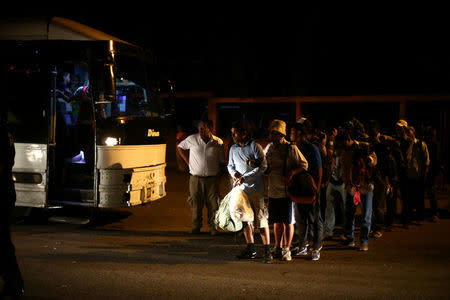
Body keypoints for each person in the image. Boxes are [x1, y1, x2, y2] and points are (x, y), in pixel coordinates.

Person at [227, 121, 272, 263]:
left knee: (261, 221)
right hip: (241, 191)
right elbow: (230, 165)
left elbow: (263, 166)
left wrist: (244, 177)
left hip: (256, 191)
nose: (233, 135)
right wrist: (234, 174)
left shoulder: (254, 146)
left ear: (244, 133)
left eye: (236, 132)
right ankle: (251, 249)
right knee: (245, 220)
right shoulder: (233, 148)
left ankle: (267, 251)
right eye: (232, 132)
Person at [264, 120, 308, 261]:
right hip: (273, 190)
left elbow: (304, 164)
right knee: (276, 221)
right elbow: (264, 164)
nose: (271, 135)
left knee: (288, 221)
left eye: (273, 132)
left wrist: (292, 173)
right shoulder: (269, 148)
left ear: (280, 134)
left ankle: (286, 249)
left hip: (287, 191)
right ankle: (277, 247)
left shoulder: (290, 148)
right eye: (271, 132)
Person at [177, 119, 226, 235]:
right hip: (196, 178)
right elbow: (180, 147)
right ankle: (196, 227)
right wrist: (188, 162)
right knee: (195, 204)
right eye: (199, 127)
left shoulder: (218, 143)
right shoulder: (192, 139)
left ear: (211, 129)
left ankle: (213, 227)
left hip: (212, 179)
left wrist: (220, 176)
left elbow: (222, 161)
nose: (200, 130)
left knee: (213, 205)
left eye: (203, 128)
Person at [336, 131, 377, 251]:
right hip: (352, 187)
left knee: (366, 215)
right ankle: (350, 239)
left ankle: (364, 241)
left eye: (343, 143)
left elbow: (374, 160)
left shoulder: (364, 146)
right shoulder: (344, 153)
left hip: (366, 186)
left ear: (348, 139)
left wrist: (368, 159)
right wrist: (348, 185)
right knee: (349, 214)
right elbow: (344, 171)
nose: (341, 145)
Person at [290, 121, 323, 261]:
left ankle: (316, 247)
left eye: (293, 132)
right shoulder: (292, 147)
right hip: (298, 187)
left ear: (300, 134)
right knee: (300, 217)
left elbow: (319, 168)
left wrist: (318, 188)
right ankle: (303, 245)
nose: (290, 134)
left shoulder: (311, 148)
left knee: (315, 219)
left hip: (311, 187)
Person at [0, 118, 24, 298]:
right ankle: (14, 282)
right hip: (6, 192)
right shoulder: (6, 133)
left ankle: (14, 283)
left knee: (2, 243)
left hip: (1, 193)